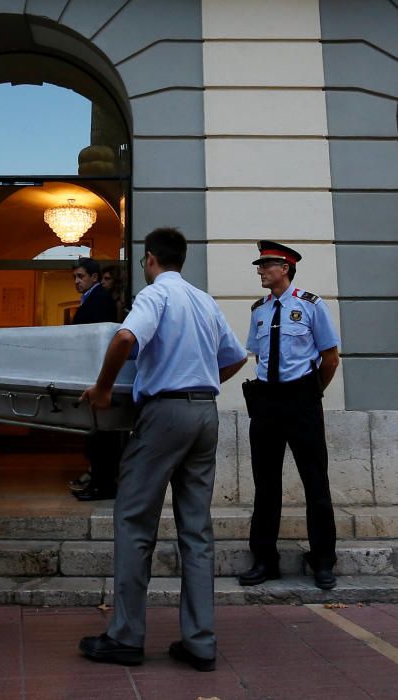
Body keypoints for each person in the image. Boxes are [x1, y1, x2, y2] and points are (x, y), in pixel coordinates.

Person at [78, 228, 247, 672]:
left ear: (150, 258)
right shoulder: (204, 300)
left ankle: (126, 636)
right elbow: (236, 357)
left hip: (165, 414)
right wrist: (199, 384)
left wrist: (101, 388)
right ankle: (200, 640)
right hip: (204, 413)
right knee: (196, 530)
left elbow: (124, 339)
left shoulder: (156, 295)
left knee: (134, 520)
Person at [237, 241, 341, 591]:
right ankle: (265, 559)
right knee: (266, 484)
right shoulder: (259, 310)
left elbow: (330, 357)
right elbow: (258, 356)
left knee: (316, 482)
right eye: (260, 265)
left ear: (286, 268)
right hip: (267, 403)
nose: (260, 271)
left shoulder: (311, 305)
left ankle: (323, 559)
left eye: (266, 265)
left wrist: (314, 392)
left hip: (302, 400)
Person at [69, 258, 124, 502]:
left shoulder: (99, 298)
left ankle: (102, 484)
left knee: (101, 436)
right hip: (92, 374)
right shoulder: (93, 297)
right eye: (75, 277)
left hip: (97, 374)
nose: (77, 281)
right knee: (96, 435)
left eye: (81, 276)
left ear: (93, 277)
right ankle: (99, 482)